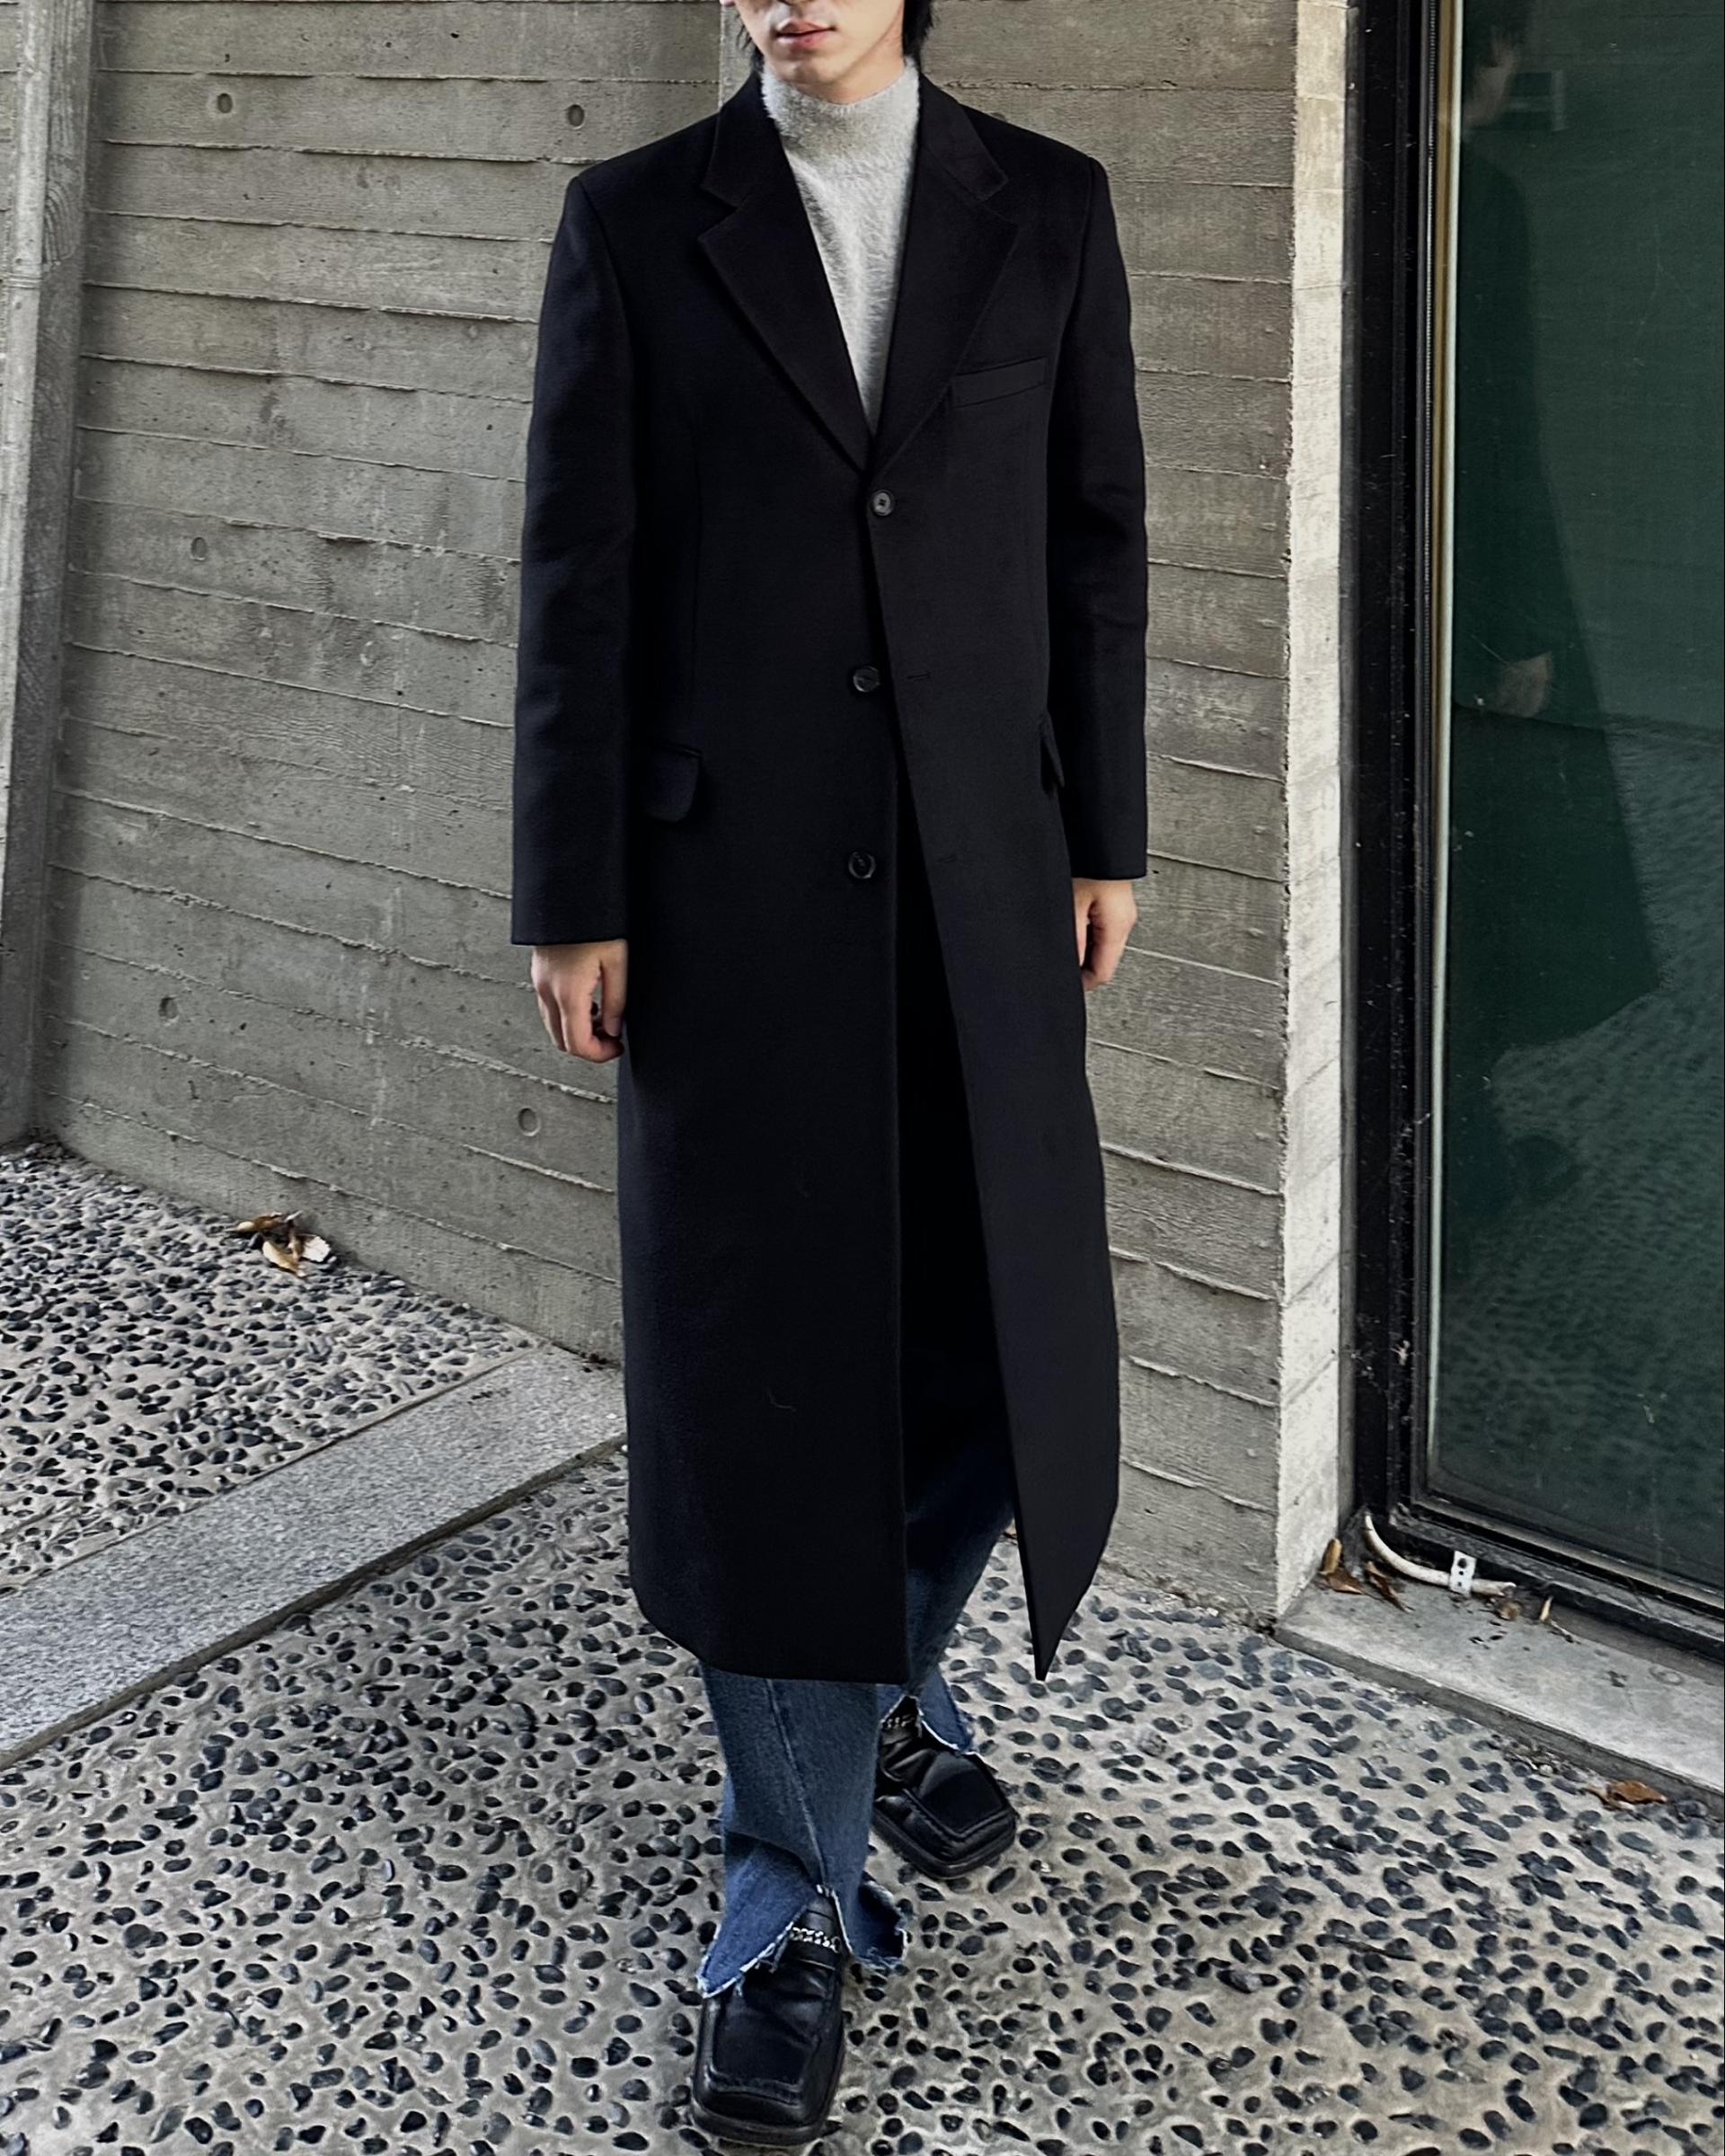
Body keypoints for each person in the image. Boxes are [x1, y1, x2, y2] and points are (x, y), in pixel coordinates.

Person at [509, 0, 1146, 2138]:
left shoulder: (1046, 209)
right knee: (766, 1398)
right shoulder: (633, 222)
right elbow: (581, 576)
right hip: (727, 908)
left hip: (988, 883)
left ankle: (874, 1687)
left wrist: (1111, 828)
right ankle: (783, 1896)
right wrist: (572, 889)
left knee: (985, 1358)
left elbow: (1094, 540)